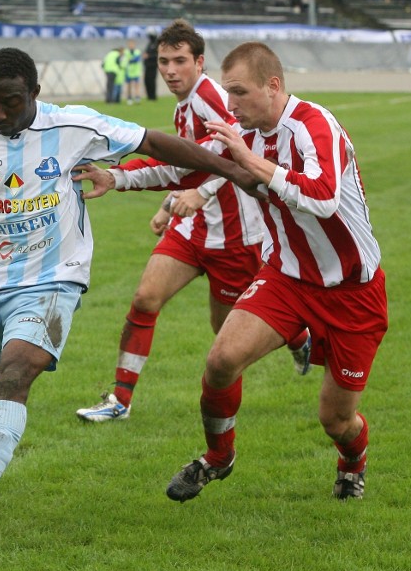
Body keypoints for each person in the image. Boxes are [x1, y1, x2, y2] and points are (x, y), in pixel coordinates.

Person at [0, 47, 260, 540]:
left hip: (54, 278)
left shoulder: (74, 126)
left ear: (35, 94)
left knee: (15, 371)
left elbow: (155, 141)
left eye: (11, 102)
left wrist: (230, 169)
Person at [83, 42, 388, 502]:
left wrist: (247, 161)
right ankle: (218, 457)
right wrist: (119, 177)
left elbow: (323, 197)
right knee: (221, 361)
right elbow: (187, 165)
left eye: (240, 92)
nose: (231, 104)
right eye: (228, 93)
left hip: (353, 292)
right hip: (286, 278)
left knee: (336, 420)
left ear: (273, 86)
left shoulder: (313, 124)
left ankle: (352, 463)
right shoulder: (243, 133)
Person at [76, 19, 309, 423]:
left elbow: (233, 151)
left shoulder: (212, 97)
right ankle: (120, 400)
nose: (169, 70)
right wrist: (169, 203)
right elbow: (185, 163)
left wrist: (199, 192)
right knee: (146, 299)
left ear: (199, 62)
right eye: (163, 61)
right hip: (193, 229)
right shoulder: (185, 104)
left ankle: (299, 335)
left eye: (179, 61)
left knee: (226, 337)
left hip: (235, 237)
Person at [122, 39, 142, 105]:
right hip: (128, 71)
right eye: (130, 44)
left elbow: (136, 59)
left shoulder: (137, 51)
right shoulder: (126, 52)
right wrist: (130, 60)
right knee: (129, 85)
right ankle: (129, 98)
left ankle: (137, 97)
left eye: (132, 44)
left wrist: (130, 59)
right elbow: (125, 60)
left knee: (136, 85)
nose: (131, 46)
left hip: (136, 71)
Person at [143, 28, 159, 101]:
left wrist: (149, 56)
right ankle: (149, 96)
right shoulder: (150, 43)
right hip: (147, 66)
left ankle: (153, 96)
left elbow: (157, 55)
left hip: (153, 66)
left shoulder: (156, 44)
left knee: (152, 81)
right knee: (147, 80)